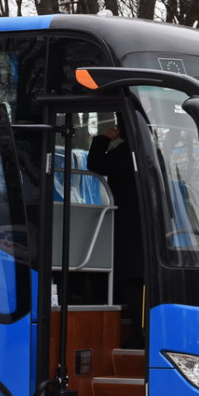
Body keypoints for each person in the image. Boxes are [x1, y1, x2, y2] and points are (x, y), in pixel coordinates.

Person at [87, 118, 145, 349]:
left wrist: (103, 139)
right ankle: (140, 331)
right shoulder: (150, 151)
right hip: (143, 226)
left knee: (130, 280)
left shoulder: (126, 152)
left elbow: (96, 163)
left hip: (129, 226)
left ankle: (140, 333)